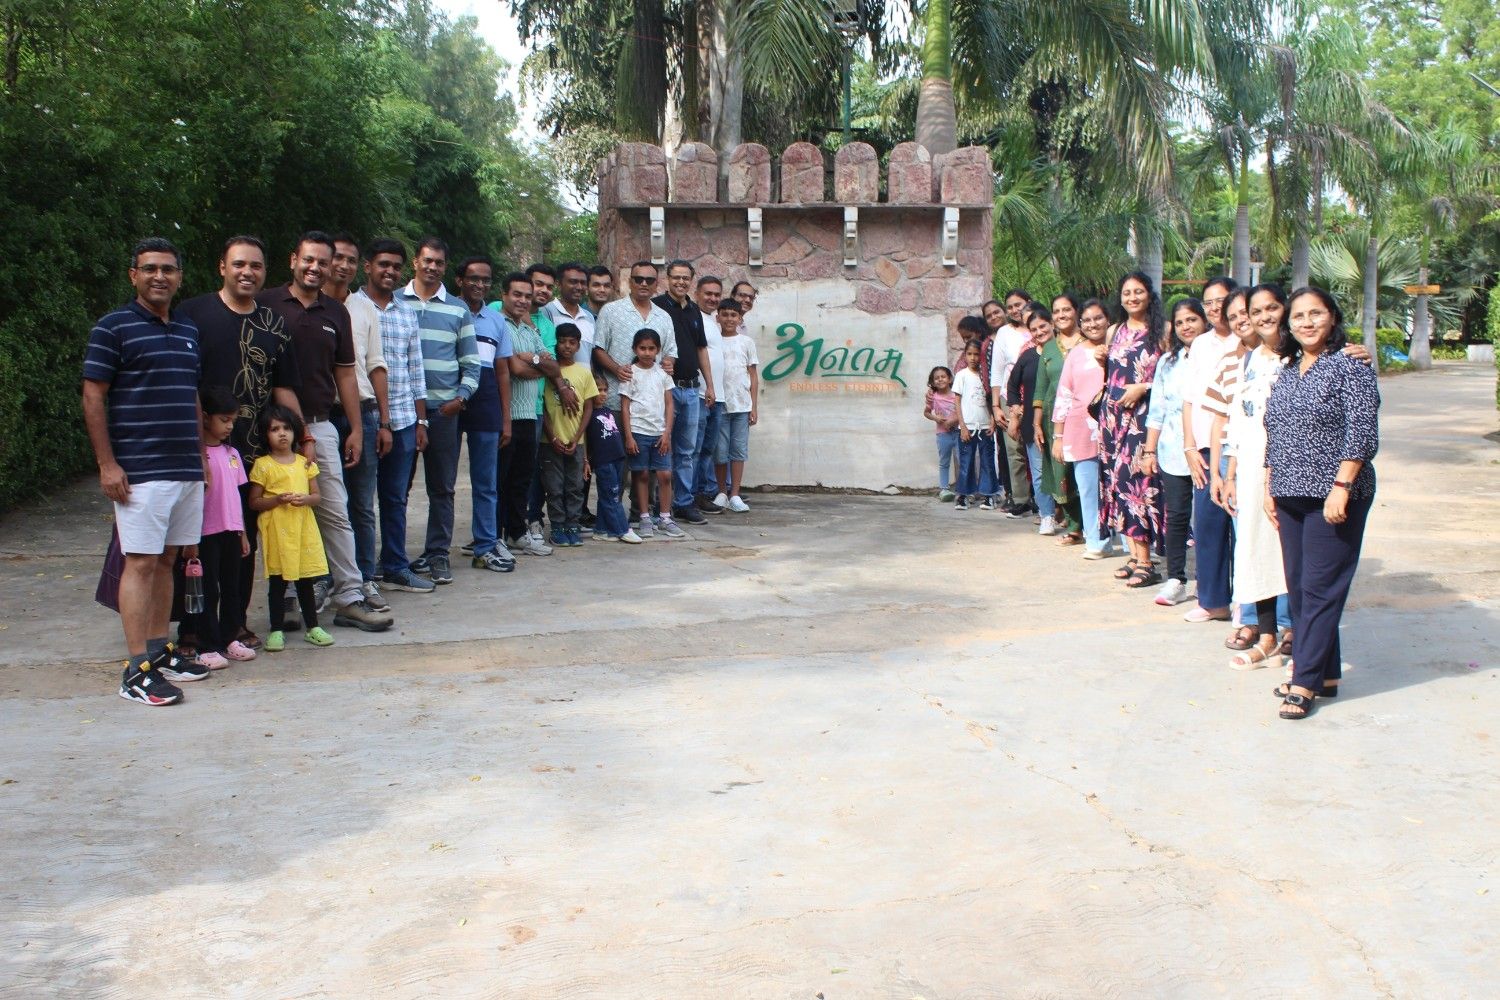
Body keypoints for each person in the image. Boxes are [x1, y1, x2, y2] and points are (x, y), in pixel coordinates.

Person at [83, 237, 208, 705]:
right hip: (139, 470)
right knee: (138, 562)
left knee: (167, 559)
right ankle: (135, 670)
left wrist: (199, 458)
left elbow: (192, 395)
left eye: (169, 269)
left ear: (179, 276)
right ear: (133, 274)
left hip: (183, 467)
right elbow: (93, 394)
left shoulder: (188, 330)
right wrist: (107, 463)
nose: (160, 276)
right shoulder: (113, 327)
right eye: (150, 268)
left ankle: (160, 652)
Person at [257, 232, 393, 632]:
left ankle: (349, 596)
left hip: (320, 423)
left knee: (335, 510)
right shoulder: (265, 304)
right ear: (293, 260)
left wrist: (354, 428)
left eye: (322, 262)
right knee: (277, 512)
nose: (314, 268)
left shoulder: (336, 312)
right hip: (267, 428)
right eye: (308, 260)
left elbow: (346, 373)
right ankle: (283, 599)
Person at [177, 235, 301, 650]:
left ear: (265, 273)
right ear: (222, 267)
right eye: (239, 264)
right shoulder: (191, 315)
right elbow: (181, 384)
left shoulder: (273, 324)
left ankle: (235, 623)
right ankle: (193, 627)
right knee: (195, 544)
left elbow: (283, 388)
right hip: (199, 453)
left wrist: (302, 441)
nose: (247, 272)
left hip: (249, 456)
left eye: (256, 266)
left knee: (241, 543)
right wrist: (193, 447)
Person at [1264, 287, 1380, 719]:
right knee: (1300, 588)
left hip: (1334, 494)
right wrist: (1270, 482)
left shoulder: (1350, 365)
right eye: (1299, 315)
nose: (1307, 322)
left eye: (1316, 313)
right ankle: (1326, 673)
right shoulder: (1290, 368)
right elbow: (1274, 426)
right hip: (1290, 492)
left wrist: (1342, 485)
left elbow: (1362, 430)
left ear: (1332, 317)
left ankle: (1305, 680)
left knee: (1319, 590)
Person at [1216, 283, 1293, 670]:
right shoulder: (1250, 360)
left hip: (1288, 469)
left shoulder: (1300, 356)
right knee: (1255, 550)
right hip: (1248, 470)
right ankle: (1266, 636)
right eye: (1255, 310)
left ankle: (1297, 633)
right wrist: (1229, 473)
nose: (1262, 317)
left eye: (1271, 308)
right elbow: (1237, 419)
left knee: (1290, 552)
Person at [397, 236, 478, 585]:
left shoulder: (457, 308)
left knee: (442, 487)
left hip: (444, 411)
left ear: (446, 267)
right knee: (396, 488)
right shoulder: (394, 303)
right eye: (427, 260)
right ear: (416, 262)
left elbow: (471, 364)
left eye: (439, 263)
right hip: (400, 411)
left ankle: (438, 554)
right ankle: (394, 558)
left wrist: (460, 399)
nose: (432, 267)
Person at [356, 238, 435, 597]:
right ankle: (360, 573)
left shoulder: (406, 311)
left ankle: (395, 567)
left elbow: (416, 370)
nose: (389, 271)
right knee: (359, 501)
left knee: (395, 498)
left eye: (395, 266)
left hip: (403, 419)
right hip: (364, 417)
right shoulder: (350, 307)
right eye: (382, 264)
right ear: (367, 266)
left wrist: (421, 422)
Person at [325, 233, 390, 609]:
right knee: (323, 504)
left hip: (361, 414)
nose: (344, 266)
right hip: (320, 416)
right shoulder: (310, 308)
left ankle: (364, 577)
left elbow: (376, 366)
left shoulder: (365, 310)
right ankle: (322, 580)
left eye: (351, 259)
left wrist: (382, 421)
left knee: (362, 504)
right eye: (338, 258)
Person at [497, 271, 576, 556]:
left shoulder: (530, 330)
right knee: (500, 479)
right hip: (506, 414)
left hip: (530, 412)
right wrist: (535, 362)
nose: (522, 300)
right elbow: (513, 369)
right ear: (504, 295)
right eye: (517, 294)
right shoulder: (500, 324)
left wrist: (527, 359)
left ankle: (517, 534)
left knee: (522, 477)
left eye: (526, 296)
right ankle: (495, 537)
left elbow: (554, 366)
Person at [1178, 276, 1240, 624]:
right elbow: (1189, 399)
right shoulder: (1200, 344)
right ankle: (1213, 600)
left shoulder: (1248, 339)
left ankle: (1248, 604)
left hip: (1238, 446)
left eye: (1223, 300)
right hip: (1203, 448)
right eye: (1209, 302)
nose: (1216, 307)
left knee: (1241, 527)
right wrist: (1188, 445)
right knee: (1208, 526)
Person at [248, 405, 333, 651]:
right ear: (266, 435)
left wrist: (305, 500)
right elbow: (254, 501)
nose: (282, 434)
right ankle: (276, 629)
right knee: (278, 582)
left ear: (295, 432)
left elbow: (317, 496)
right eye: (275, 429)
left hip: (302, 528)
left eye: (286, 428)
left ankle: (313, 627)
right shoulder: (263, 465)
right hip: (278, 531)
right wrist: (276, 500)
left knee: (306, 580)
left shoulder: (304, 463)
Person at [182, 385, 254, 670]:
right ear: (205, 417)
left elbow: (237, 496)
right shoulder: (198, 457)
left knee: (232, 587)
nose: (229, 425)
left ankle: (229, 637)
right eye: (224, 419)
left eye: (233, 420)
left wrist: (243, 533)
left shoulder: (232, 453)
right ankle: (207, 644)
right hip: (205, 533)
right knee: (207, 589)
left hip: (231, 531)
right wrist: (190, 538)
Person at [1140, 298, 1207, 606]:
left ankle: (1211, 580)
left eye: (1192, 319)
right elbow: (1158, 410)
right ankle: (1176, 579)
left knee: (1209, 518)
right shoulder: (1169, 362)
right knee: (1177, 517)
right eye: (1180, 322)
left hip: (1208, 450)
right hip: (1171, 451)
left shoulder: (1218, 356)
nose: (1186, 326)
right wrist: (1149, 451)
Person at [1099, 273, 1164, 586]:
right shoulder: (1114, 331)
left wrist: (1144, 387)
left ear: (1149, 296)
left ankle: (1148, 562)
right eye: (1127, 292)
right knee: (1117, 484)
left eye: (1139, 292)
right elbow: (1111, 373)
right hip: (1112, 419)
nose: (1133, 297)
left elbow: (1170, 377)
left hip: (1142, 418)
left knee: (1136, 485)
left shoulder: (1160, 332)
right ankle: (1136, 555)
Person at [455, 255, 515, 573]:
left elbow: (503, 370)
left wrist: (505, 417)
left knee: (486, 481)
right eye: (473, 278)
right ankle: (435, 551)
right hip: (451, 397)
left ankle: (485, 546)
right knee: (443, 481)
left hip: (488, 397)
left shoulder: (495, 320)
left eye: (486, 280)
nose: (479, 284)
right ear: (460, 280)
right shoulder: (449, 309)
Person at [1052, 299, 1110, 558]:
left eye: (1098, 318)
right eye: (1087, 320)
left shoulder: (1119, 348)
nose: (1092, 324)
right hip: (1081, 429)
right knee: (1087, 487)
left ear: (1108, 319)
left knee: (1117, 488)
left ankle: (1124, 538)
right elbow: (1064, 394)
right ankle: (1095, 541)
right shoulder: (1075, 353)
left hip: (1117, 430)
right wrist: (1058, 436)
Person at [540, 323, 599, 547]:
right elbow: (543, 408)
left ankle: (572, 525)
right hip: (549, 442)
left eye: (571, 342)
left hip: (577, 442)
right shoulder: (549, 372)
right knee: (554, 487)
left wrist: (577, 438)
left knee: (574, 487)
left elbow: (589, 408)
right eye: (562, 341)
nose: (566, 346)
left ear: (577, 345)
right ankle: (557, 526)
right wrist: (553, 437)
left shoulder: (584, 373)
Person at [1033, 294, 1083, 544]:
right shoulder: (1049, 348)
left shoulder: (1090, 342)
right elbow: (1041, 389)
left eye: (1066, 309)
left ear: (1076, 311)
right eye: (1057, 311)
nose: (1062, 315)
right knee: (1062, 471)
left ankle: (1097, 527)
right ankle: (1075, 528)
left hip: (1086, 417)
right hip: (1054, 420)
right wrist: (1036, 424)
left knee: (1085, 470)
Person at [620, 329, 680, 538]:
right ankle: (644, 517)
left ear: (658, 350)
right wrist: (628, 436)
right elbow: (625, 407)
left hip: (659, 433)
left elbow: (669, 404)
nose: (646, 353)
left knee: (665, 475)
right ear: (635, 349)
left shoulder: (663, 374)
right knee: (642, 474)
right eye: (642, 348)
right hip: (638, 432)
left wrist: (667, 433)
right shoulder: (629, 373)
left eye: (651, 348)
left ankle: (664, 517)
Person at [1009, 307, 1058, 534]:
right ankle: (1046, 515)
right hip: (1032, 423)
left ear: (1052, 324)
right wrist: (1015, 412)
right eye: (1034, 329)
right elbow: (1011, 386)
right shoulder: (1027, 357)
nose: (1039, 332)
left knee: (1063, 472)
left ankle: (1069, 517)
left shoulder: (1065, 352)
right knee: (1039, 474)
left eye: (1042, 326)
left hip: (1061, 423)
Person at [711, 299, 759, 512]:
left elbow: (753, 376)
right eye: (725, 314)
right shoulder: (713, 341)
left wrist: (754, 407)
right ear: (718, 317)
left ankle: (735, 494)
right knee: (720, 451)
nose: (729, 319)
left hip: (742, 405)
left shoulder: (746, 342)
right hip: (720, 404)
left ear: (740, 318)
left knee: (738, 450)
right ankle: (722, 491)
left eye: (733, 315)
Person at [585, 369, 642, 544]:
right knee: (612, 496)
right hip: (604, 461)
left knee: (608, 496)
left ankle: (601, 529)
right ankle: (622, 529)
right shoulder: (588, 415)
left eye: (604, 390)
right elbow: (586, 441)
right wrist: (586, 461)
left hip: (618, 458)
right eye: (598, 389)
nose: (602, 394)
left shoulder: (607, 410)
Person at [990, 289, 1033, 511]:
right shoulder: (1004, 334)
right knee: (1014, 449)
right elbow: (996, 373)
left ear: (1029, 302)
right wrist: (997, 406)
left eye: (1019, 304)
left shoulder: (1041, 327)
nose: (1015, 310)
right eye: (1011, 307)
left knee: (1036, 448)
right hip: (1010, 397)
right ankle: (1020, 499)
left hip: (1036, 397)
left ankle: (1042, 499)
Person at [693, 275, 727, 516]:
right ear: (697, 293)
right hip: (699, 395)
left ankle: (702, 493)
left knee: (707, 449)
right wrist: (707, 389)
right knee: (694, 449)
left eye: (717, 294)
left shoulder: (714, 321)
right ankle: (690, 496)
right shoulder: (694, 318)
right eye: (708, 293)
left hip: (718, 397)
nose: (712, 298)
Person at [951, 341, 992, 511]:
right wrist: (963, 426)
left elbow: (990, 400)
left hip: (985, 427)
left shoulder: (986, 375)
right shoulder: (962, 375)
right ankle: (963, 495)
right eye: (970, 354)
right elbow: (957, 402)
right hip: (967, 427)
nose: (973, 358)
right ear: (965, 355)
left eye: (977, 354)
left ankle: (989, 495)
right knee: (966, 462)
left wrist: (993, 421)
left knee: (987, 462)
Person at [924, 366, 960, 501]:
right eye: (936, 378)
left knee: (962, 461)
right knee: (944, 462)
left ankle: (964, 489)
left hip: (958, 432)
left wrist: (954, 421)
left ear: (950, 379)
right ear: (932, 382)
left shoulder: (956, 395)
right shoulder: (933, 397)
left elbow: (963, 412)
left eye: (943, 377)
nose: (940, 380)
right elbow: (926, 412)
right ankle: (944, 489)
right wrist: (936, 418)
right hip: (943, 434)